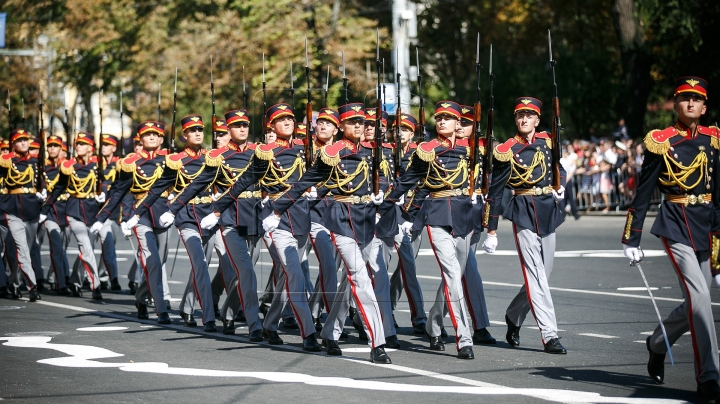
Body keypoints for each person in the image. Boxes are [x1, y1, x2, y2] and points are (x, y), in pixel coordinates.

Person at [266, 102, 393, 363]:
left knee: (350, 283)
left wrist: (388, 196)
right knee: (360, 279)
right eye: (352, 122)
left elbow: (389, 179)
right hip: (341, 220)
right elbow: (306, 182)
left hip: (367, 221)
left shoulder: (373, 151)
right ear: (342, 126)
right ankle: (377, 343)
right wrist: (277, 210)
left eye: (362, 122)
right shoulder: (332, 153)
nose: (359, 126)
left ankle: (330, 332)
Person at [622, 76, 720, 400]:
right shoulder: (660, 141)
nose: (690, 103)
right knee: (700, 299)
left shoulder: (713, 139)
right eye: (684, 98)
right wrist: (631, 238)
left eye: (696, 99)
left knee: (697, 301)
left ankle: (657, 343)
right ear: (676, 104)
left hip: (706, 225)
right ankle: (709, 376)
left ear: (704, 108)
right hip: (676, 224)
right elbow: (644, 190)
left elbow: (717, 195)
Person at [200, 104, 321, 351]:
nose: (243, 128)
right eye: (237, 125)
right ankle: (258, 324)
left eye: (245, 124)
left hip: (261, 218)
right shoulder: (228, 156)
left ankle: (253, 318)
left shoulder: (293, 150)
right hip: (237, 219)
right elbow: (239, 182)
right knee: (248, 272)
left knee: (279, 274)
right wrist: (216, 209)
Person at [379, 101, 476, 360]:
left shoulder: (472, 149)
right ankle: (464, 339)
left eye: (448, 118)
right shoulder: (427, 150)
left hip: (464, 216)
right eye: (439, 118)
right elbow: (409, 181)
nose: (442, 122)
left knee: (453, 278)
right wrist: (385, 208)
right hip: (437, 215)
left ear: (459, 123)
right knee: (453, 275)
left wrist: (489, 218)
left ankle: (434, 324)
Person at [482, 96, 567, 355]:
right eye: (520, 115)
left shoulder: (547, 142)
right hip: (523, 211)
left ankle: (513, 315)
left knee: (544, 275)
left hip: (547, 210)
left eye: (529, 116)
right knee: (536, 276)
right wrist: (492, 229)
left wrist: (560, 184)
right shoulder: (507, 149)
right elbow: (495, 191)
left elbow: (558, 168)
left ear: (537, 119)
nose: (524, 119)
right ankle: (550, 334)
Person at [128, 114, 219, 332]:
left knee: (169, 262)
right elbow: (154, 188)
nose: (197, 133)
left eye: (200, 129)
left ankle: (154, 299)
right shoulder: (171, 161)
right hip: (179, 215)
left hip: (201, 215)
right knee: (160, 263)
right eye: (192, 130)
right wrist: (135, 213)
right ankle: (198, 316)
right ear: (184, 134)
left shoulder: (211, 157)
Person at [92, 121, 172, 324]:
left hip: (163, 213)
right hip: (141, 214)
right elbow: (118, 191)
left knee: (159, 261)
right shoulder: (131, 162)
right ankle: (161, 309)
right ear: (141, 139)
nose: (152, 137)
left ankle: (141, 298)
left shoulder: (170, 160)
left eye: (156, 135)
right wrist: (102, 218)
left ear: (162, 139)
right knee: (151, 261)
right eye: (148, 135)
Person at [42, 132, 104, 300]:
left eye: (82, 144)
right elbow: (58, 188)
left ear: (90, 148)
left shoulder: (98, 165)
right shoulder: (68, 166)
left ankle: (76, 281)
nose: (78, 146)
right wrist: (45, 209)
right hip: (74, 211)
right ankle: (95, 285)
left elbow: (108, 182)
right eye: (77, 144)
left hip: (93, 212)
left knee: (87, 250)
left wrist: (104, 193)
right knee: (85, 246)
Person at [0, 129, 44, 302]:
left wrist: (43, 191)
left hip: (31, 209)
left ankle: (13, 283)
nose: (24, 143)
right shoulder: (7, 161)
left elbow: (41, 180)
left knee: (26, 249)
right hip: (13, 209)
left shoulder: (35, 161)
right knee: (20, 251)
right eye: (19, 141)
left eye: (25, 140)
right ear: (13, 144)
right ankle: (31, 286)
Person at [41, 134, 71, 295]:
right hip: (49, 211)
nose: (52, 149)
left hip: (64, 211)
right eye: (50, 146)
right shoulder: (41, 168)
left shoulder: (66, 167)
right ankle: (60, 283)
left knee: (62, 248)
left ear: (61, 149)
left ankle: (55, 277)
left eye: (55, 146)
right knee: (57, 248)